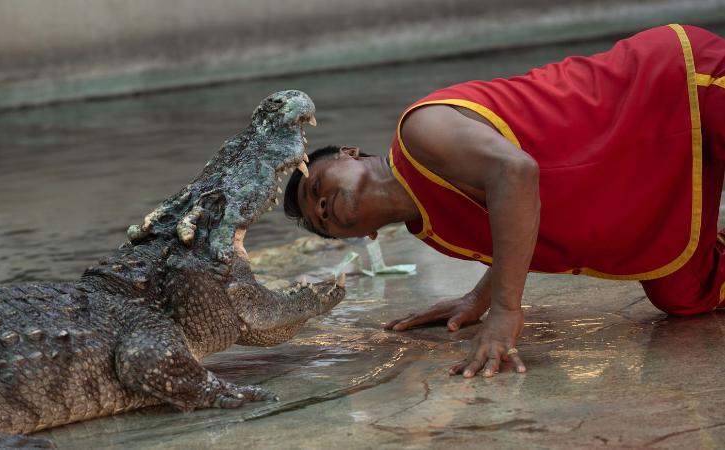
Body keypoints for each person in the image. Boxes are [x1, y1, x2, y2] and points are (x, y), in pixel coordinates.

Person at [282, 24, 725, 378]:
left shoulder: (418, 132)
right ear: (365, 235)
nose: (321, 206)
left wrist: (506, 310)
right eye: (323, 221)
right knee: (684, 294)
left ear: (350, 155)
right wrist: (479, 297)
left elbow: (514, 173)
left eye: (316, 187)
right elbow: (516, 219)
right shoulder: (432, 231)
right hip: (644, 172)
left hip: (670, 86)